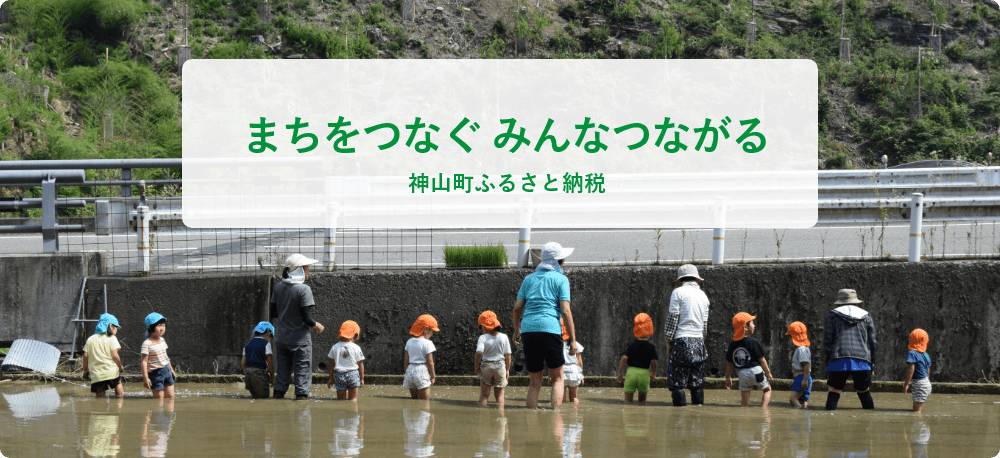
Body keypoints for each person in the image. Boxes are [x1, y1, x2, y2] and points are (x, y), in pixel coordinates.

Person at [512, 241, 578, 410]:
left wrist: (517, 330)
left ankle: (531, 419)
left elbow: (517, 308)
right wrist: (572, 340)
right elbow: (565, 310)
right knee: (557, 378)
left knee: (534, 382)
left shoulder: (528, 279)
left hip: (528, 330)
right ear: (559, 261)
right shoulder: (561, 280)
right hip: (550, 329)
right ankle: (556, 422)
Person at [270, 253, 326, 400]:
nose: (309, 271)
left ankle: (277, 400)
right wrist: (317, 325)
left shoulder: (278, 287)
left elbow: (273, 313)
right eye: (307, 268)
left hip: (282, 339)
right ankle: (301, 412)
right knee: (302, 375)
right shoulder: (304, 290)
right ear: (299, 270)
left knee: (282, 374)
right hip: (300, 341)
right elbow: (306, 318)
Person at [823, 289, 877, 411]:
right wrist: (871, 364)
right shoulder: (866, 315)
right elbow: (872, 342)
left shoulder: (833, 315)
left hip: (839, 358)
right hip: (862, 360)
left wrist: (829, 361)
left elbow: (828, 341)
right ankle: (869, 423)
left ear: (840, 302)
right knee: (863, 391)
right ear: (855, 301)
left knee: (834, 391)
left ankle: (828, 424)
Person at [663, 264, 710, 406]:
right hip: (699, 341)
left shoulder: (678, 292)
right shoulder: (703, 296)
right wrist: (700, 343)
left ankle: (679, 415)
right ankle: (698, 412)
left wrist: (668, 341)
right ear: (696, 278)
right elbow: (704, 325)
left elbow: (673, 318)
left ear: (681, 279)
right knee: (697, 381)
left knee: (677, 382)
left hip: (681, 340)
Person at [725, 312, 773, 408]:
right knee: (767, 390)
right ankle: (764, 409)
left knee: (745, 403)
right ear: (745, 327)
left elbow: (729, 363)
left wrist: (728, 377)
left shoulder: (733, 344)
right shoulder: (754, 342)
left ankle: (745, 413)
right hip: (756, 371)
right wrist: (768, 372)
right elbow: (762, 359)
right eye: (752, 323)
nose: (754, 326)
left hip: (742, 374)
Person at [617, 313, 658, 403]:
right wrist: (653, 373)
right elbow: (653, 363)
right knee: (642, 402)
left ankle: (627, 416)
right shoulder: (651, 347)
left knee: (627, 402)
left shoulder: (631, 344)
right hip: (644, 374)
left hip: (631, 372)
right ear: (650, 328)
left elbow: (624, 358)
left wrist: (620, 372)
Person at [474, 311, 512, 406]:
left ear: (483, 326)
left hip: (486, 366)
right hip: (500, 367)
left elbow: (479, 353)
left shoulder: (483, 338)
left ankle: (483, 418)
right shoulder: (504, 337)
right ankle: (501, 417)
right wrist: (507, 369)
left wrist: (476, 366)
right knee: (499, 396)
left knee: (484, 396)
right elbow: (508, 355)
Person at [82, 313, 125, 398]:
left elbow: (85, 356)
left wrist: (85, 370)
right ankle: (119, 404)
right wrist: (120, 367)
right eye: (116, 327)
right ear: (111, 326)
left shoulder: (90, 339)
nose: (116, 330)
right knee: (118, 383)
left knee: (100, 396)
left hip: (97, 375)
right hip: (111, 372)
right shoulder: (112, 338)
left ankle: (100, 409)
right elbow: (115, 356)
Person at [141, 312, 177, 399]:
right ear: (151, 328)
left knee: (170, 397)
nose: (162, 329)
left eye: (163, 326)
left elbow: (165, 357)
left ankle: (170, 413)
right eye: (159, 326)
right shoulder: (147, 344)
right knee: (159, 401)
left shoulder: (162, 340)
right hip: (155, 374)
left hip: (167, 371)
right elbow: (144, 361)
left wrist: (172, 370)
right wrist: (145, 378)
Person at [327, 320, 366, 400]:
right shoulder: (356, 348)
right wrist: (362, 378)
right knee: (353, 400)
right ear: (355, 335)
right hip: (353, 375)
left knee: (341, 401)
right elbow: (360, 365)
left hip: (339, 375)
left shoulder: (335, 347)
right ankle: (354, 412)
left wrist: (330, 378)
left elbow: (331, 365)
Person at [403, 314, 440, 400]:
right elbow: (430, 362)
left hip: (410, 370)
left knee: (414, 400)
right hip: (421, 371)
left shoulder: (409, 341)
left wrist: (407, 372)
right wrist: (433, 376)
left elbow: (405, 360)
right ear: (426, 329)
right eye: (432, 331)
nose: (432, 334)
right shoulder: (428, 343)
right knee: (425, 402)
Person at [242, 321, 275, 399]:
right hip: (259, 374)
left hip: (248, 375)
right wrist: (272, 377)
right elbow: (270, 362)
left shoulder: (247, 345)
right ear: (268, 333)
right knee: (264, 400)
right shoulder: (266, 344)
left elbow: (243, 363)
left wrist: (247, 374)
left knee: (254, 398)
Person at [903, 328, 932, 413]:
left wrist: (906, 384)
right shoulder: (925, 355)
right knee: (917, 407)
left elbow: (911, 370)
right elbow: (928, 371)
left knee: (916, 412)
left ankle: (919, 425)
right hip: (926, 383)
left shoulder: (912, 353)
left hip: (919, 384)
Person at [786, 321, 812, 408]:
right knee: (802, 401)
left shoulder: (801, 349)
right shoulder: (804, 348)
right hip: (804, 377)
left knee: (793, 400)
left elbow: (806, 365)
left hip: (801, 377)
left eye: (790, 336)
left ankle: (798, 414)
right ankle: (803, 418)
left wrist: (804, 380)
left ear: (793, 337)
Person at [558, 318, 585, 404]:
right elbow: (579, 362)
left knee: (561, 399)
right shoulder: (575, 344)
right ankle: (575, 415)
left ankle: (560, 416)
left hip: (561, 371)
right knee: (574, 398)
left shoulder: (557, 344)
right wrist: (581, 375)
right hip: (574, 371)